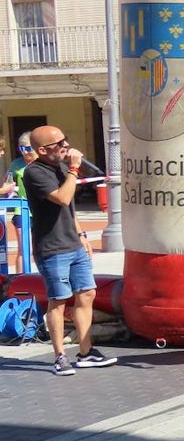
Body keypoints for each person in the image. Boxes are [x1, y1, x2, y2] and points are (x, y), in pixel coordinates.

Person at [24, 125, 117, 375]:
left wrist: (82, 234)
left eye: (66, 140)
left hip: (73, 243)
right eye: (59, 144)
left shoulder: (61, 168)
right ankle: (59, 357)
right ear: (43, 150)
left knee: (87, 294)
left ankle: (86, 352)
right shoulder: (35, 173)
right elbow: (62, 198)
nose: (66, 146)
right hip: (52, 248)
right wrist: (74, 169)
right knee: (58, 300)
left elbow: (70, 209)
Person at [7, 132, 36, 272]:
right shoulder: (16, 164)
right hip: (22, 210)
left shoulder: (43, 163)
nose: (25, 152)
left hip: (41, 210)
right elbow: (7, 184)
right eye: (21, 149)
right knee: (25, 249)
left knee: (41, 249)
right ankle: (19, 280)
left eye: (28, 148)